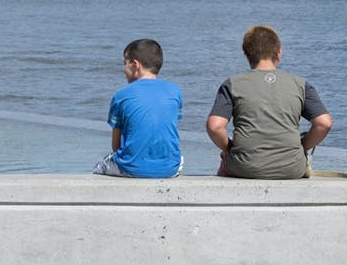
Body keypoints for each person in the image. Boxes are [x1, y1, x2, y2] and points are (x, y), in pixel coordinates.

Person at [206, 25, 332, 179]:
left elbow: (215, 127)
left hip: (244, 166)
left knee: (225, 164)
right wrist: (303, 147)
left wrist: (229, 149)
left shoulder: (232, 84)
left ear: (246, 54)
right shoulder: (300, 84)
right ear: (279, 53)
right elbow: (324, 123)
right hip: (292, 168)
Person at [93, 38, 184, 178]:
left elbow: (116, 145)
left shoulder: (121, 95)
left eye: (125, 64)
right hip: (170, 168)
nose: (124, 70)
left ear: (135, 65)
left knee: (99, 166)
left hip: (131, 168)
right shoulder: (174, 91)